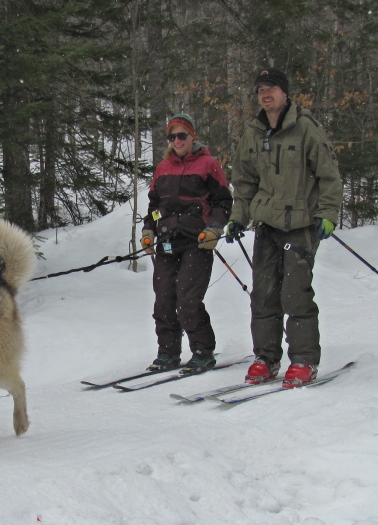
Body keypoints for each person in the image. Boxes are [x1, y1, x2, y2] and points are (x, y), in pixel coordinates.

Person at [226, 68, 343, 387]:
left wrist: (328, 213)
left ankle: (304, 360)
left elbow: (329, 175)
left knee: (295, 295)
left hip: (300, 225)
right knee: (263, 296)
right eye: (260, 89)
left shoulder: (305, 127)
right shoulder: (253, 133)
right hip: (267, 225)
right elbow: (244, 182)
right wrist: (238, 217)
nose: (265, 94)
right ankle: (266, 358)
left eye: (271, 88)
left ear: (285, 92)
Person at [141, 114, 233, 373]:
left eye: (182, 135)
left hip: (197, 242)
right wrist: (149, 230)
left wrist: (214, 229)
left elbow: (223, 202)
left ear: (192, 136)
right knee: (163, 300)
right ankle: (168, 352)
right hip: (167, 242)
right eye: (172, 136)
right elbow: (155, 206)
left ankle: (203, 351)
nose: (177, 141)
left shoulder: (208, 164)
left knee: (188, 300)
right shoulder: (162, 168)